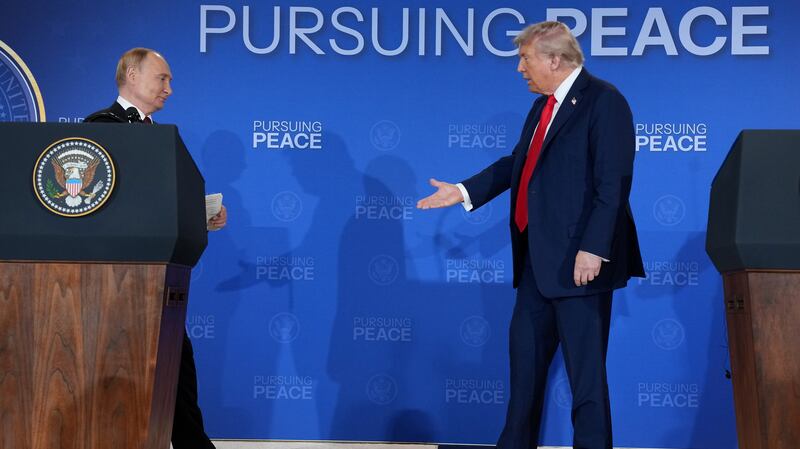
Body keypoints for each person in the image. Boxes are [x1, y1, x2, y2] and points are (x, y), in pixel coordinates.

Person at [417, 22, 644, 449]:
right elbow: (518, 163)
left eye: (526, 58)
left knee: (587, 383)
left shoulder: (605, 101)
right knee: (524, 376)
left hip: (581, 266)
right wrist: (464, 190)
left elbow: (613, 183)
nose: (520, 67)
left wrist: (593, 248)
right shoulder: (542, 107)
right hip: (538, 266)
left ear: (554, 60)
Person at [85, 47, 225, 449]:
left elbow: (160, 204)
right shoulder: (101, 126)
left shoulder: (165, 138)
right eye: (162, 78)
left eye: (170, 81)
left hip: (161, 279)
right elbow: (105, 205)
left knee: (178, 371)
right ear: (131, 74)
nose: (170, 88)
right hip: (118, 281)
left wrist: (200, 216)